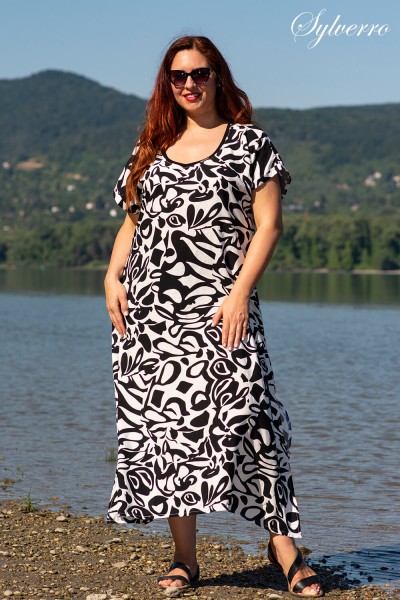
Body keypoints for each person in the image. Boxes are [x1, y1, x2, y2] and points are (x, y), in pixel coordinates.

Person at [104, 35, 323, 598]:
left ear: (218, 76)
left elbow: (269, 226)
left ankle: (285, 551)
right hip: (151, 316)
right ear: (167, 84)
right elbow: (133, 222)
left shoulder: (250, 144)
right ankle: (186, 559)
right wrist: (111, 276)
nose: (189, 84)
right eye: (178, 76)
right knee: (169, 433)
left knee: (256, 422)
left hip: (224, 307)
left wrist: (240, 293)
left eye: (199, 73)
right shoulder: (152, 147)